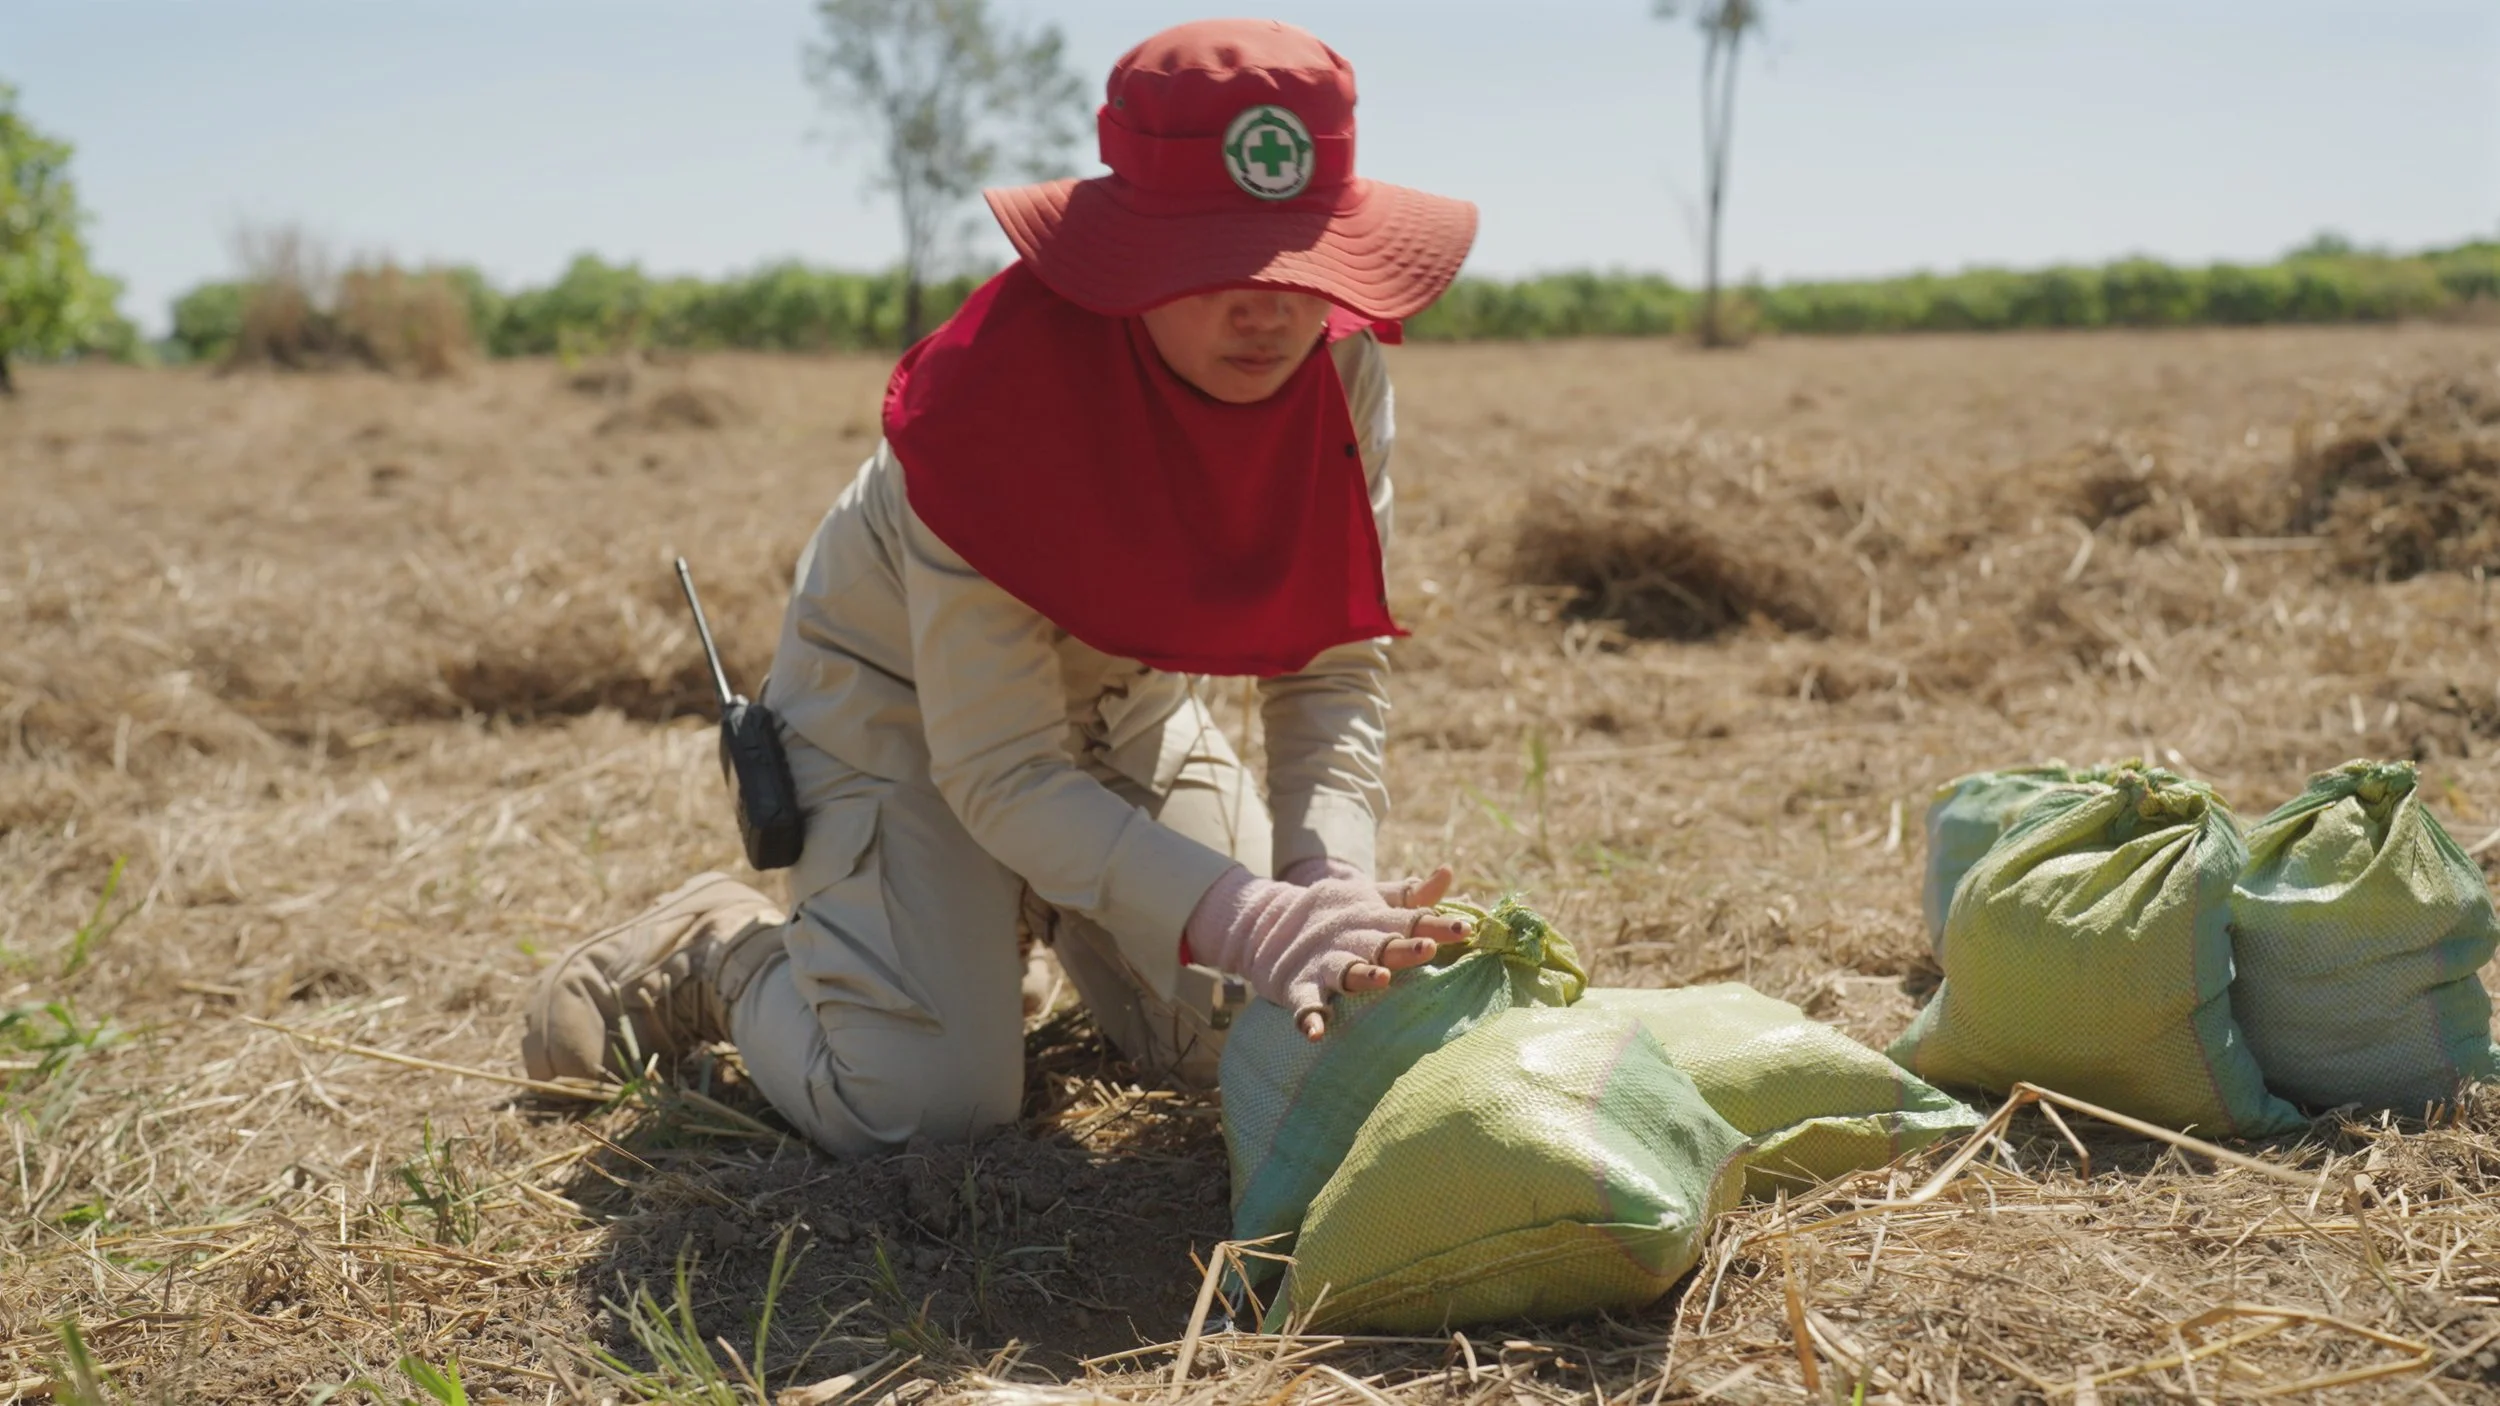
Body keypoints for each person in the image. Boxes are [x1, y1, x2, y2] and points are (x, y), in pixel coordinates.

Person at [520, 18, 1482, 1157]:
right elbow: (998, 762)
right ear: (1128, 255)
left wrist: (1325, 893)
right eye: (1215, 259)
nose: (1266, 304)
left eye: (1298, 258)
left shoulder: (1338, 365)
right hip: (904, 710)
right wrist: (1242, 911)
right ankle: (719, 950)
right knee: (921, 1108)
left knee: (1244, 1034)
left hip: (1118, 699)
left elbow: (1327, 664)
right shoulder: (992, 405)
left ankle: (993, 924)